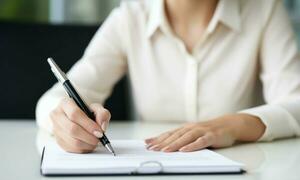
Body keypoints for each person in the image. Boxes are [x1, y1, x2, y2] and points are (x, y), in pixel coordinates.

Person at [36, 0, 300, 154]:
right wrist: (65, 120)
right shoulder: (131, 16)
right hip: (153, 178)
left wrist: (232, 125)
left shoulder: (264, 9)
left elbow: (296, 102)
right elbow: (53, 99)